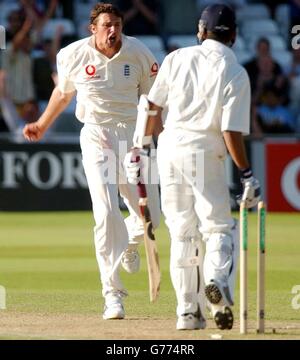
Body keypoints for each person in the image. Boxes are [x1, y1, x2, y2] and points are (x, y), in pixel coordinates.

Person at [124, 4, 261, 330]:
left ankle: (188, 312)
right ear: (235, 35)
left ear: (201, 31)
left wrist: (138, 148)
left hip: (169, 148)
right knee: (217, 227)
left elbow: (151, 105)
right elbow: (230, 131)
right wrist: (247, 173)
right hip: (204, 149)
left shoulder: (176, 58)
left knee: (183, 232)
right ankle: (216, 278)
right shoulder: (235, 71)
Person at [23, 3, 160, 320]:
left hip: (133, 134)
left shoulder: (139, 52)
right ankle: (112, 294)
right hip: (96, 134)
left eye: (117, 24)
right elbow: (62, 94)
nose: (114, 30)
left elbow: (154, 102)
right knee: (106, 211)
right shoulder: (73, 54)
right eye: (107, 25)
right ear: (93, 28)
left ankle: (128, 242)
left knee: (151, 215)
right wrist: (42, 125)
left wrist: (152, 139)